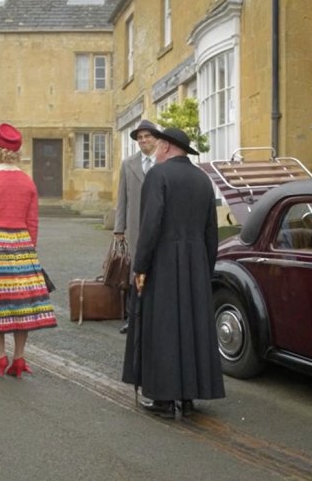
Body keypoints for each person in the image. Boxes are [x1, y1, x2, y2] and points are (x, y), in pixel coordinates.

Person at [121, 127, 224, 419]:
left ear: (165, 146)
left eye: (157, 147)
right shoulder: (203, 180)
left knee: (163, 328)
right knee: (191, 328)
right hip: (195, 263)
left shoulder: (159, 175)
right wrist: (205, 267)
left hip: (164, 262)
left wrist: (140, 266)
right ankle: (188, 397)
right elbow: (210, 232)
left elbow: (150, 226)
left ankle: (165, 400)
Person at [0, 123, 57, 377]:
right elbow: (33, 221)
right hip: (21, 244)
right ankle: (19, 357)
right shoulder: (27, 183)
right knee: (21, 302)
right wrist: (29, 248)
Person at [114, 119, 159, 334]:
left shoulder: (163, 162)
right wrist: (119, 228)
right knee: (135, 271)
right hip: (134, 227)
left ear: (156, 138)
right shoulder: (128, 164)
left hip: (159, 227)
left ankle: (154, 318)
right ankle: (132, 318)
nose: (143, 141)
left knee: (156, 271)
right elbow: (121, 198)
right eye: (140, 138)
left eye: (147, 136)